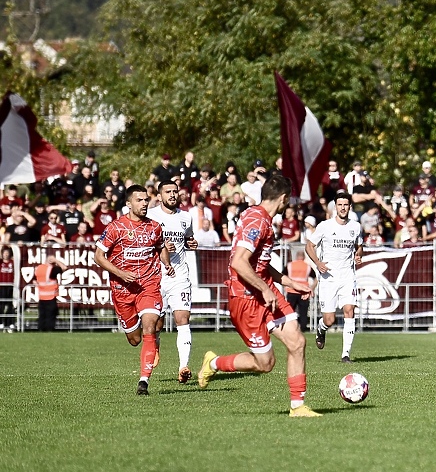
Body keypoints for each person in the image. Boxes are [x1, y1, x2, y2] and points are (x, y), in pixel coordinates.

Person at [196, 175, 319, 417]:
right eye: (288, 201)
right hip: (246, 298)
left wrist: (290, 282)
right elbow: (239, 262)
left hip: (265, 291)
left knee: (297, 342)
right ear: (283, 199)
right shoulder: (257, 220)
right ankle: (213, 363)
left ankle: (298, 407)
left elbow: (260, 264)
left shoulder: (262, 218)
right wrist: (263, 288)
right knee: (265, 364)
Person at [94, 185, 175, 396]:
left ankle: (143, 382)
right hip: (122, 289)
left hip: (148, 284)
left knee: (149, 328)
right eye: (139, 200)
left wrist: (166, 263)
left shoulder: (155, 227)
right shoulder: (116, 228)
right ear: (129, 203)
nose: (144, 203)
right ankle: (150, 335)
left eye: (146, 200)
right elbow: (98, 257)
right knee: (134, 339)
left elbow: (161, 247)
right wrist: (120, 273)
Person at [147, 181, 198, 383]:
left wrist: (190, 243)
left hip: (179, 276)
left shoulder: (186, 217)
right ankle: (155, 344)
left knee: (182, 319)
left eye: (175, 191)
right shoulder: (151, 215)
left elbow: (188, 239)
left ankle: (183, 366)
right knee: (156, 324)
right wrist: (159, 245)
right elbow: (145, 242)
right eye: (168, 192)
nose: (172, 195)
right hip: (156, 276)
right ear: (159, 196)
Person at [305, 191, 364, 363]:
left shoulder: (355, 227)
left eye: (346, 205)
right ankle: (321, 330)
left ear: (349, 207)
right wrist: (317, 262)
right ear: (335, 207)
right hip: (328, 277)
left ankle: (345, 354)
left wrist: (358, 255)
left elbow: (359, 246)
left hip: (347, 276)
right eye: (340, 205)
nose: (343, 208)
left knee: (349, 310)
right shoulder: (325, 226)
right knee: (329, 320)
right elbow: (310, 245)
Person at [282, 251, 317, 332]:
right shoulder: (307, 266)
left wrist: (285, 286)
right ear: (304, 257)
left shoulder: (290, 265)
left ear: (296, 256)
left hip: (291, 291)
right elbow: (316, 278)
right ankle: (303, 329)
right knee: (303, 312)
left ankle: (290, 328)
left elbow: (282, 275)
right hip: (303, 292)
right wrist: (312, 288)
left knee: (290, 311)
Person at [35, 254, 67, 331]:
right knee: (50, 316)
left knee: (42, 315)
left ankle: (40, 330)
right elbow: (64, 268)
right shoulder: (52, 269)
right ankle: (49, 330)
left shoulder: (39, 268)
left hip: (41, 296)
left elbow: (34, 280)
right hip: (50, 296)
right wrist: (56, 260)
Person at [0, 247, 15, 331]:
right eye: (4, 253)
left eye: (7, 253)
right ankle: (1, 322)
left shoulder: (12, 262)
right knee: (1, 305)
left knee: (10, 305)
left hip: (10, 286)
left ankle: (9, 322)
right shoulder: (1, 263)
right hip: (1, 286)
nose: (6, 254)